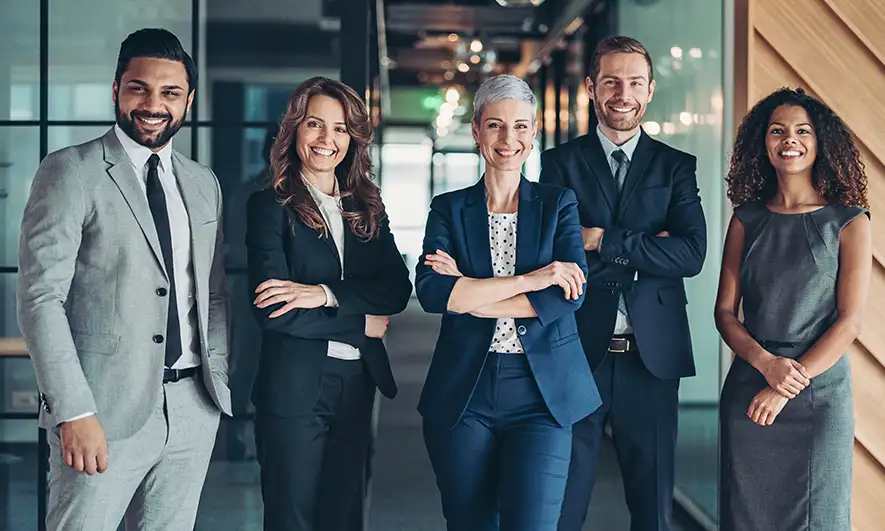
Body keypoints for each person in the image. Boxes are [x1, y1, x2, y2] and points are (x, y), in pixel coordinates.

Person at [17, 28, 231, 530]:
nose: (153, 104)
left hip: (192, 408)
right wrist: (72, 411)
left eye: (170, 92)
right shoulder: (70, 171)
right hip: (100, 411)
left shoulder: (203, 184)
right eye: (139, 88)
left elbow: (212, 294)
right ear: (116, 90)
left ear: (188, 100)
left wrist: (215, 385)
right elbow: (41, 299)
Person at [415, 74, 601, 531]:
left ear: (533, 133)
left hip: (542, 394)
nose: (508, 138)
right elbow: (435, 293)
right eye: (495, 125)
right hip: (465, 391)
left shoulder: (559, 204)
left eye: (520, 126)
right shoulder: (448, 208)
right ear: (476, 130)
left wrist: (470, 289)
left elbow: (564, 300)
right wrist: (532, 279)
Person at [542, 36, 707, 531]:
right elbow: (557, 253)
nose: (623, 92)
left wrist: (601, 239)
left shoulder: (675, 166)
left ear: (651, 90)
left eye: (635, 82)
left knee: (653, 507)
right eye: (611, 81)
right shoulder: (559, 163)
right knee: (565, 502)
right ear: (591, 88)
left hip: (651, 358)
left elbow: (691, 254)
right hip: (577, 353)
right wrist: (645, 248)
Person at [246, 76, 412, 531]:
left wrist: (321, 293)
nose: (327, 140)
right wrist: (361, 324)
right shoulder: (269, 207)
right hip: (295, 387)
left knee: (344, 517)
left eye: (340, 129)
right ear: (294, 130)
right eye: (315, 125)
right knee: (293, 519)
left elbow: (396, 289)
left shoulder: (365, 206)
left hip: (356, 383)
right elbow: (273, 311)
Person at [715, 87, 870, 530]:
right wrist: (765, 364)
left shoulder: (849, 222)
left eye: (803, 131)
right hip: (750, 388)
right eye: (777, 131)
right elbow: (725, 313)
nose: (790, 140)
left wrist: (784, 386)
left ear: (821, 143)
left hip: (817, 395)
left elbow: (849, 322)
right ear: (762, 144)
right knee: (747, 518)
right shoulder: (746, 219)